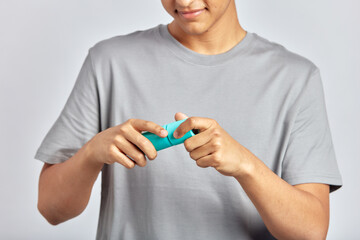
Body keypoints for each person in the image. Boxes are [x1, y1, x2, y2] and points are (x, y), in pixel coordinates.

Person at [34, 0, 342, 239]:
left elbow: (311, 232)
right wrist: (91, 154)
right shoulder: (108, 62)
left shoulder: (295, 79)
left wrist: (245, 165)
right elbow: (51, 209)